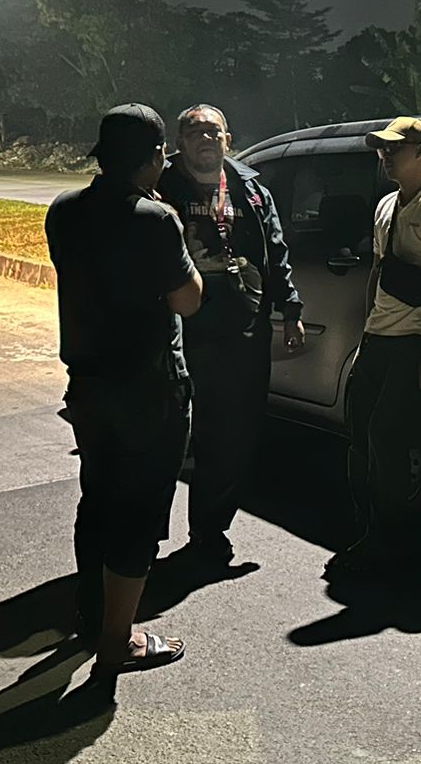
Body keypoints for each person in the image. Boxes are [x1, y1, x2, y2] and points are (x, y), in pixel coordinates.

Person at [45, 103, 202, 679]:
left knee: (98, 498)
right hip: (149, 385)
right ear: (155, 157)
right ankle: (118, 640)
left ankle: (92, 615)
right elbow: (189, 298)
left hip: (88, 382)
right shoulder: (155, 220)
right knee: (139, 512)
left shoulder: (63, 211)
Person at [157, 103, 304, 571]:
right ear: (179, 142)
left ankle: (210, 533)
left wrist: (290, 309)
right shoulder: (161, 186)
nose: (206, 138)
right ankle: (140, 541)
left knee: (230, 438)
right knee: (165, 438)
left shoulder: (251, 188)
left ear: (228, 139)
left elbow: (275, 250)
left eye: (213, 131)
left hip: (241, 332)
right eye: (195, 131)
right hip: (176, 333)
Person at [326, 117, 421, 577]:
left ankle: (392, 542)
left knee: (388, 438)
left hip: (413, 341)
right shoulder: (387, 204)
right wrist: (368, 325)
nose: (385, 157)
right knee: (359, 435)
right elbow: (378, 268)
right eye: (382, 150)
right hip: (378, 338)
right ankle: (368, 533)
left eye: (395, 149)